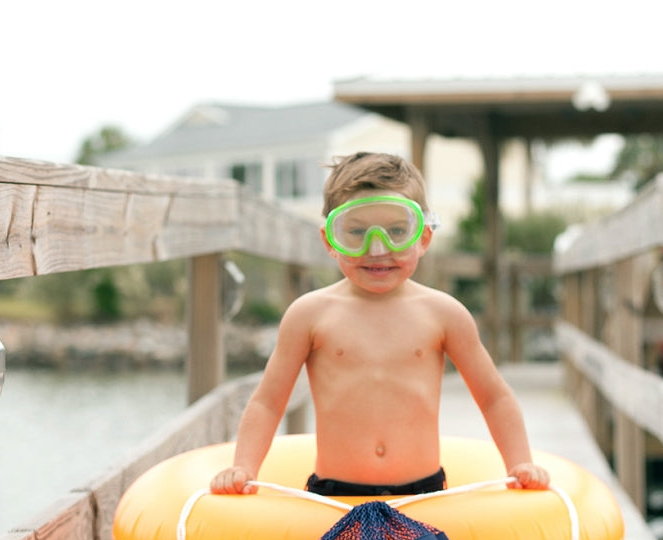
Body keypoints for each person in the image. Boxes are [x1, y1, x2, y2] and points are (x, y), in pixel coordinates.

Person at [210, 151, 549, 497]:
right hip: (336, 495)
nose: (376, 249)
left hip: (423, 494)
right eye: (355, 232)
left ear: (424, 238)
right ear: (330, 240)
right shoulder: (309, 315)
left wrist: (519, 462)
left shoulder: (444, 313)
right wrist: (244, 467)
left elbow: (494, 397)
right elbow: (268, 402)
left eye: (397, 231)